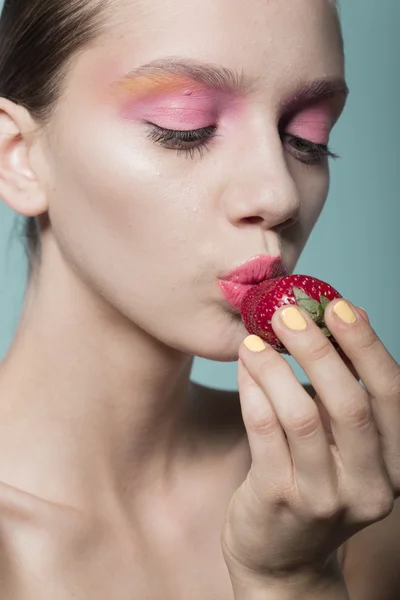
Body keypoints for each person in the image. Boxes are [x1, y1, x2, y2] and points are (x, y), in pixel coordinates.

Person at [0, 0, 399, 598]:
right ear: (19, 156)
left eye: (308, 138)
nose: (279, 192)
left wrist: (295, 579)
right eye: (184, 127)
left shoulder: (348, 491)